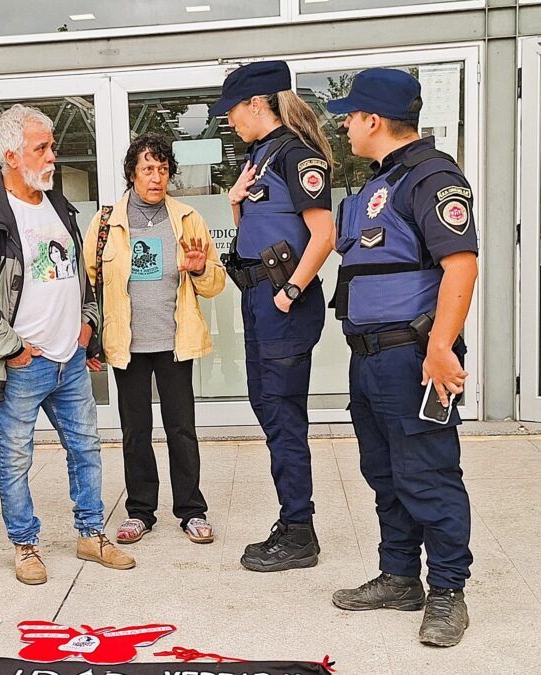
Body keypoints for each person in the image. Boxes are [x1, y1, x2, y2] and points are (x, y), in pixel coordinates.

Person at [0, 104, 135, 585]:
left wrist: (88, 324)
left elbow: (80, 275)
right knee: (15, 458)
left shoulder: (58, 206)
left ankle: (91, 535)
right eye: (42, 148)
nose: (53, 156)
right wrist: (13, 350)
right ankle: (25, 544)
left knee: (86, 449)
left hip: (70, 358)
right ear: (11, 155)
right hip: (21, 366)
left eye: (51, 145)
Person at [325, 68, 477, 648]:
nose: (344, 124)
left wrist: (439, 348)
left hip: (412, 358)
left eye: (350, 115)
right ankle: (398, 577)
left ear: (373, 120)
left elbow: (461, 266)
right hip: (369, 359)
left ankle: (447, 591)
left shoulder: (432, 179)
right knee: (384, 474)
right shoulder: (377, 183)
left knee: (427, 474)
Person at [209, 60, 335, 572]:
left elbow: (323, 234)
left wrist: (291, 291)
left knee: (283, 416)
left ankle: (300, 531)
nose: (229, 120)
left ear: (257, 104)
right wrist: (235, 204)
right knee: (268, 408)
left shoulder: (295, 155)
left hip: (282, 303)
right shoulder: (258, 156)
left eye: (233, 110)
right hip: (258, 299)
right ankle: (292, 518)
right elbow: (256, 229)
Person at [82, 132, 226, 546]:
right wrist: (91, 335)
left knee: (182, 429)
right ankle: (140, 511)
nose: (156, 177)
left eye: (163, 169)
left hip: (175, 341)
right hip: (127, 343)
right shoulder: (106, 222)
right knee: (135, 431)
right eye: (148, 169)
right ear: (132, 173)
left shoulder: (187, 218)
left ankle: (191, 510)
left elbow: (215, 284)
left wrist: (199, 269)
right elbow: (89, 283)